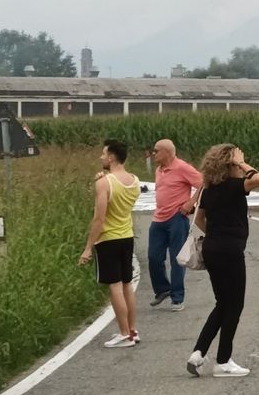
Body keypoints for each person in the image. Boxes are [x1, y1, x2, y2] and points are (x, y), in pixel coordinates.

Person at [186, 144, 259, 377]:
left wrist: (217, 234)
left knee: (222, 303)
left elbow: (199, 218)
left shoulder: (210, 189)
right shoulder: (234, 186)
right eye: (237, 164)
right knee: (235, 305)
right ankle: (223, 361)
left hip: (212, 248)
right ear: (230, 166)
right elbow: (258, 178)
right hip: (230, 251)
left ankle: (198, 352)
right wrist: (241, 162)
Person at [79, 139, 141, 348]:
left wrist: (89, 246)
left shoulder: (104, 183)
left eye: (104, 154)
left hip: (109, 239)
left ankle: (124, 333)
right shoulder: (134, 180)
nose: (101, 157)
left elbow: (99, 218)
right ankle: (132, 330)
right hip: (127, 236)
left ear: (112, 157)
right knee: (127, 285)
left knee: (114, 286)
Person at [148, 139, 203, 312]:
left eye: (156, 151)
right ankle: (163, 289)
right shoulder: (159, 169)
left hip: (177, 218)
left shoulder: (182, 167)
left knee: (177, 259)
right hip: (158, 219)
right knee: (154, 257)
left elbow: (203, 183)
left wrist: (191, 202)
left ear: (167, 152)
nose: (153, 153)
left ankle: (177, 298)